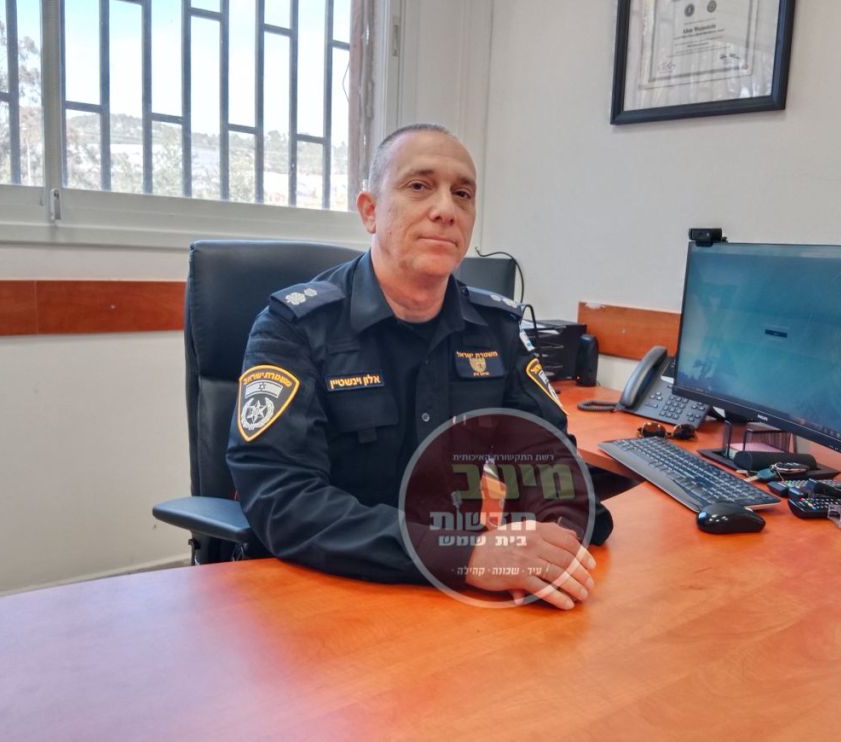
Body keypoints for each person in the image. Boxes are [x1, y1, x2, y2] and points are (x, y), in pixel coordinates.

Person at [227, 123, 609, 610]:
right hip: (326, 593)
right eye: (419, 186)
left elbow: (547, 460)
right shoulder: (295, 327)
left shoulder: (496, 329)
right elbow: (281, 498)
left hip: (453, 602)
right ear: (370, 211)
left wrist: (550, 541)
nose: (446, 209)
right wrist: (466, 554)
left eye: (463, 194)